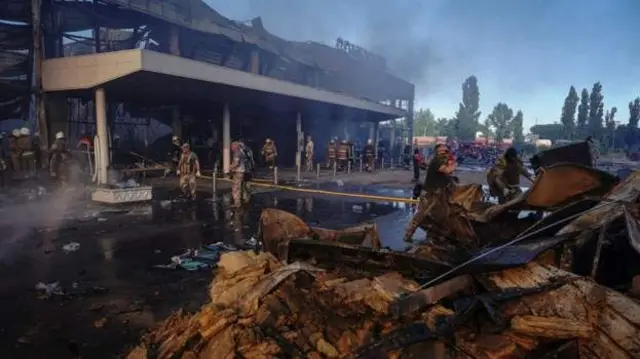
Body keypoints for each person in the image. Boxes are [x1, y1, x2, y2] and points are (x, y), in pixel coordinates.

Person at [404, 143, 457, 242]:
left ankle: (436, 234)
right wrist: (454, 164)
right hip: (430, 192)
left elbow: (447, 173)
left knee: (443, 215)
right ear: (438, 152)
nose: (446, 153)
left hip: (439, 193)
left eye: (447, 151)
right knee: (421, 215)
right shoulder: (437, 161)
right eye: (444, 151)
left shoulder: (442, 161)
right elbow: (446, 170)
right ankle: (408, 234)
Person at [230, 141, 253, 207]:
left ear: (235, 147)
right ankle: (245, 199)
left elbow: (236, 164)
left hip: (238, 172)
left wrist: (229, 167)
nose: (231, 148)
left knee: (236, 188)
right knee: (243, 187)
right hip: (244, 172)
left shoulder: (237, 153)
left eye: (232, 146)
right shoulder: (243, 153)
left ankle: (237, 203)